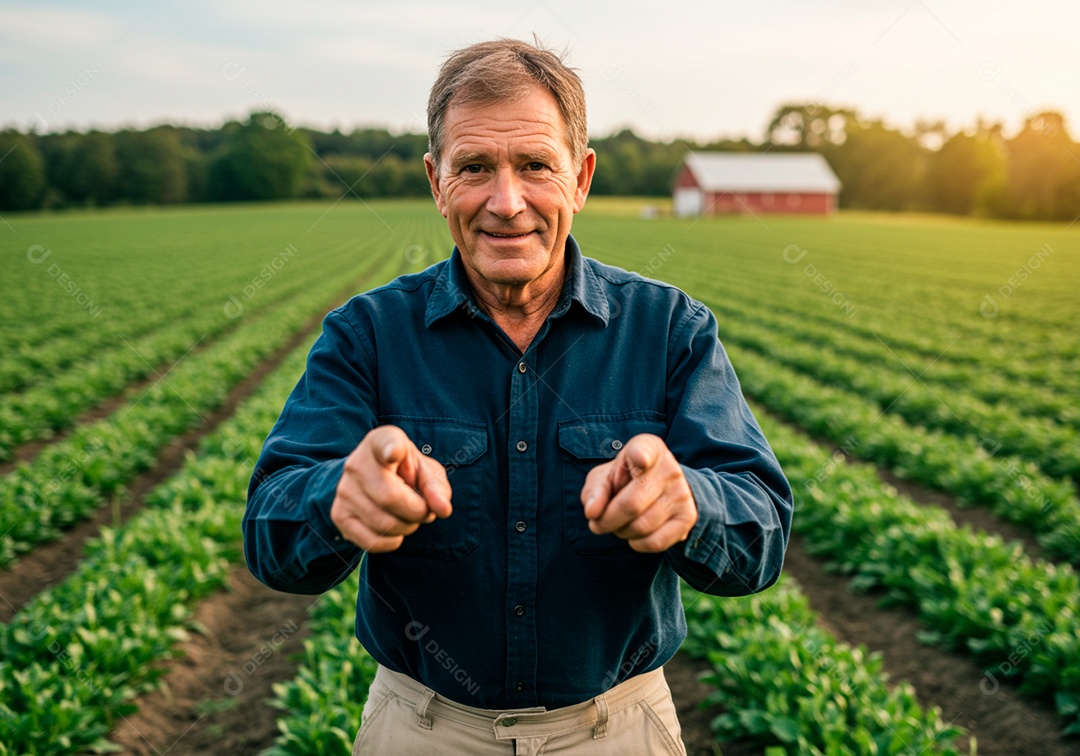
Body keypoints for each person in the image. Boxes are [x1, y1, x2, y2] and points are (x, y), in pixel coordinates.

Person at [243, 38, 792, 755]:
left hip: (618, 727)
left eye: (535, 165)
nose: (507, 203)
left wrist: (689, 502)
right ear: (437, 182)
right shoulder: (367, 336)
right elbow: (269, 530)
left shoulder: (668, 331)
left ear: (580, 178)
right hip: (423, 729)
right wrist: (335, 498)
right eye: (474, 168)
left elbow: (764, 529)